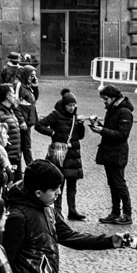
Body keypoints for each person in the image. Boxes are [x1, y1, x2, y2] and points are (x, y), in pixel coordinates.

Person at [33, 90, 89, 221]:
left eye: (74, 105)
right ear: (64, 105)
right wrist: (52, 133)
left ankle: (72, 210)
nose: (72, 108)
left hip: (74, 154)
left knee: (72, 185)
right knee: (59, 184)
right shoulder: (56, 115)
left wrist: (81, 125)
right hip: (60, 155)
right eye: (69, 105)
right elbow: (39, 125)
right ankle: (57, 212)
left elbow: (80, 136)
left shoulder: (75, 117)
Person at [92, 85, 135, 225]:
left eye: (105, 99)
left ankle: (127, 214)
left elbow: (122, 135)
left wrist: (102, 130)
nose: (104, 102)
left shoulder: (125, 112)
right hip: (109, 151)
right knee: (112, 184)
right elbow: (111, 129)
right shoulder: (113, 109)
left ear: (113, 98)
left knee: (119, 184)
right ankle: (115, 212)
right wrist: (98, 125)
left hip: (118, 153)